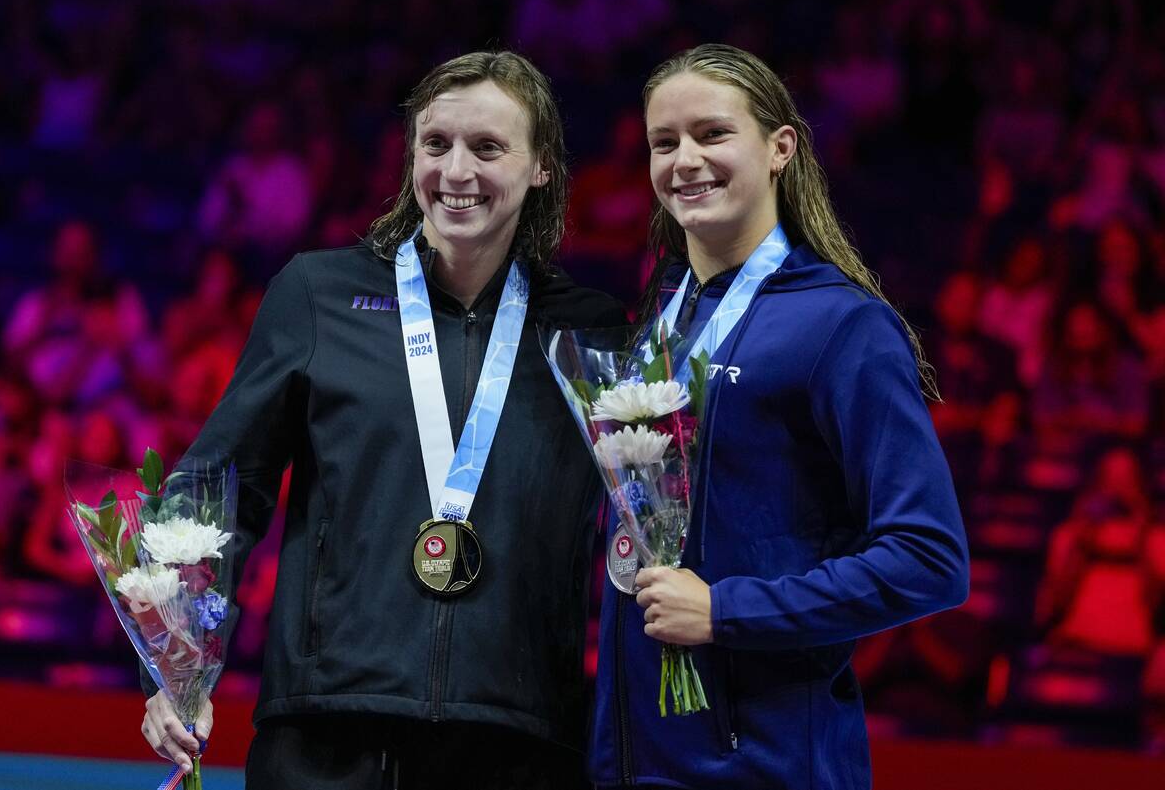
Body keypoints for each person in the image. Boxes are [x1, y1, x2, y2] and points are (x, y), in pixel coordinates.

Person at [141, 51, 625, 790]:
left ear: (541, 168)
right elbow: (216, 490)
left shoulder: (588, 332)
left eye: (487, 147)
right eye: (436, 145)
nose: (456, 171)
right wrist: (181, 662)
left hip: (518, 746)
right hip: (325, 738)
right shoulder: (320, 294)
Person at [589, 44, 968, 789]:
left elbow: (930, 558)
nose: (684, 160)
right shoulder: (660, 325)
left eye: (712, 134)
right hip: (636, 758)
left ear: (780, 148)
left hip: (766, 763)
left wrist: (726, 609)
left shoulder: (841, 325)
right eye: (664, 143)